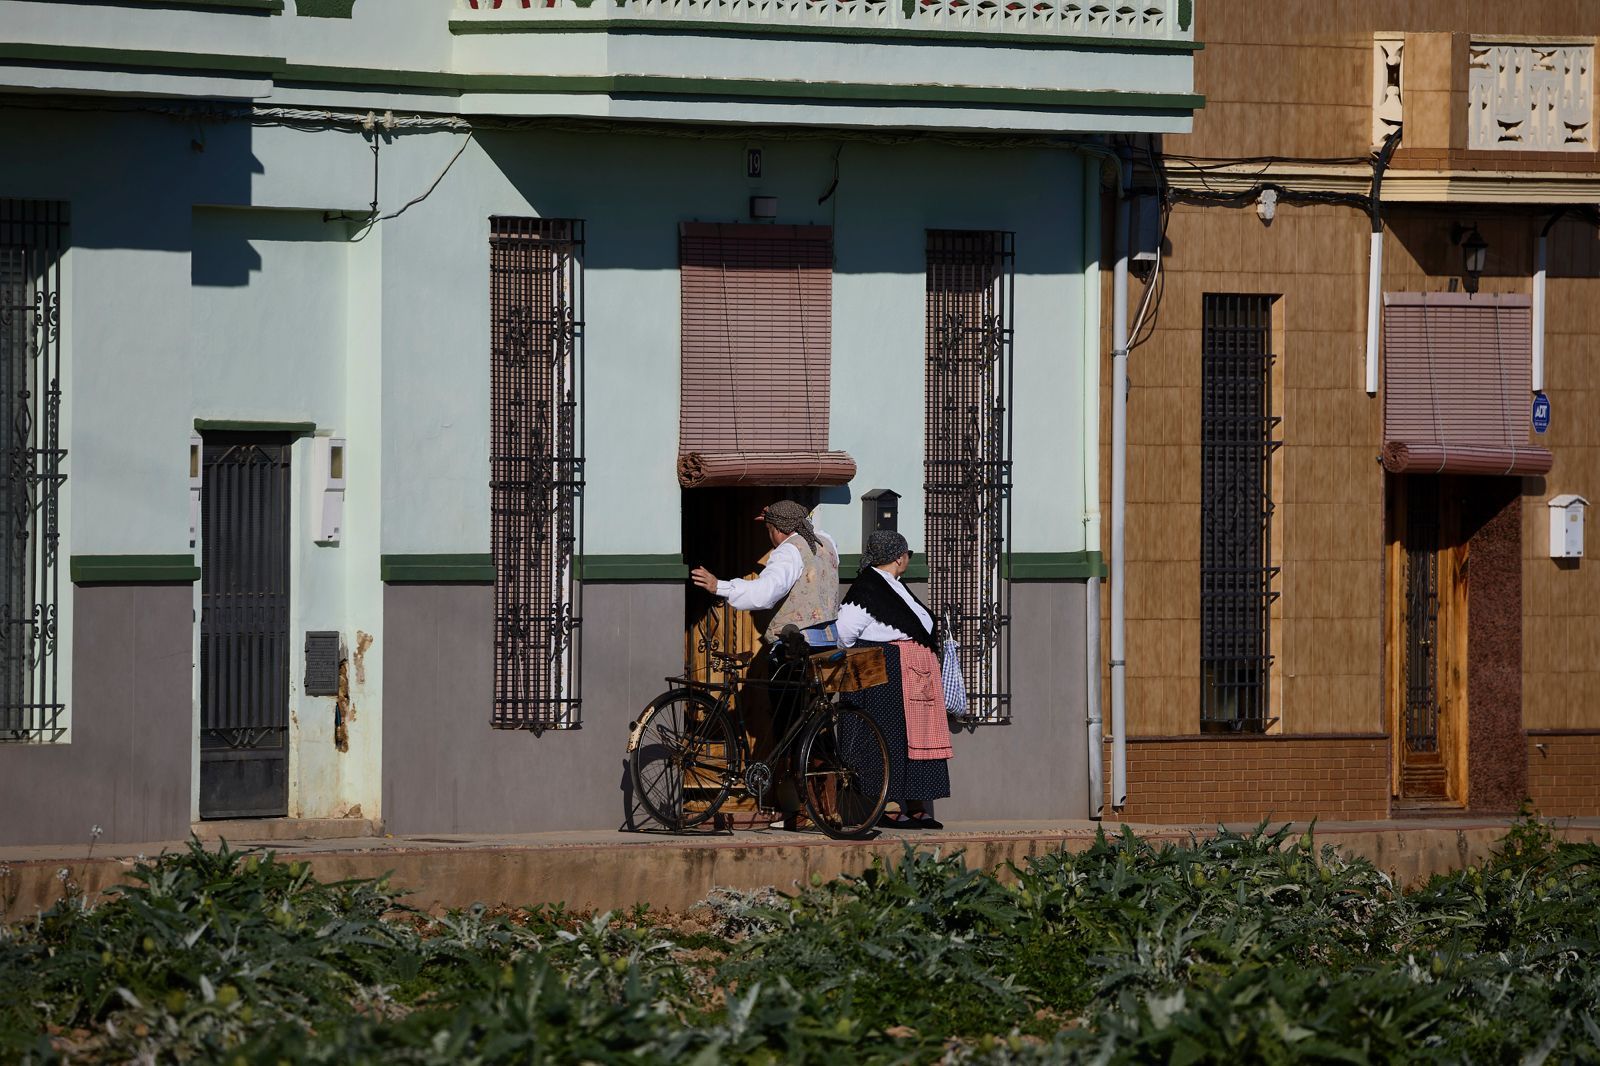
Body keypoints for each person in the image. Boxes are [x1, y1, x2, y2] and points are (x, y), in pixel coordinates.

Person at [690, 500, 841, 826]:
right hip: (827, 647)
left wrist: (721, 586)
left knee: (790, 728)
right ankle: (828, 808)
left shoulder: (788, 552)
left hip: (794, 651)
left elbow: (766, 592)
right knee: (818, 728)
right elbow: (804, 523)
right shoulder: (827, 543)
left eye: (770, 530)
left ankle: (800, 812)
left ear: (779, 530)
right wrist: (780, 514)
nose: (769, 537)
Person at [835, 529, 952, 829]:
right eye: (907, 554)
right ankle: (888, 804)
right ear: (899, 557)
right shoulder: (869, 587)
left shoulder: (895, 585)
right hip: (886, 675)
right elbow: (845, 631)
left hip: (912, 674)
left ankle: (916, 803)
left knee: (917, 738)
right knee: (890, 739)